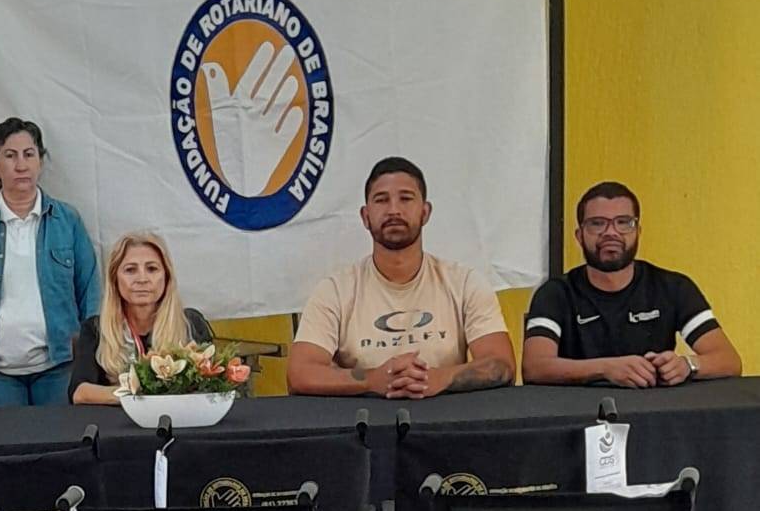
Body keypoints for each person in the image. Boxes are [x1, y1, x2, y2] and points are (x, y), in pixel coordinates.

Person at [287, 157, 515, 398]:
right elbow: (299, 374)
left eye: (406, 198)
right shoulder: (335, 290)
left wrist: (439, 378)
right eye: (381, 200)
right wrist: (372, 380)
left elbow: (502, 365)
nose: (394, 210)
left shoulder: (464, 282)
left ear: (425, 212)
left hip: (445, 417)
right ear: (365, 216)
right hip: (363, 419)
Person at [522, 181, 741, 386]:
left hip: (654, 409)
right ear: (579, 236)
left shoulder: (673, 287)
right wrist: (605, 368)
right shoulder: (555, 293)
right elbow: (534, 367)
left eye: (623, 223)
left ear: (638, 232)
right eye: (597, 223)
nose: (611, 232)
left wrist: (687, 365)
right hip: (577, 410)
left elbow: (729, 360)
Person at [0, 117, 99, 407]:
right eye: (10, 155)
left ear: (40, 162)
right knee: (4, 438)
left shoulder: (68, 221)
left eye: (29, 154)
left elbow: (90, 291)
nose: (21, 165)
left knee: (62, 436)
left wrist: (89, 358)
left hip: (61, 366)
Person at [68, 233, 214, 405]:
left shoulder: (191, 323)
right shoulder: (96, 328)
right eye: (130, 270)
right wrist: (143, 393)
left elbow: (212, 388)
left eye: (152, 269)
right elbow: (80, 392)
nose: (142, 279)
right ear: (115, 279)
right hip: (118, 421)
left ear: (167, 277)